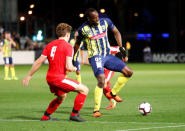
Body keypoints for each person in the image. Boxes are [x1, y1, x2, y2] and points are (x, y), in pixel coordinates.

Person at [22, 23, 88, 122]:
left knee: (61, 97)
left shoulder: (50, 45)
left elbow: (39, 61)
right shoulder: (68, 47)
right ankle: (74, 115)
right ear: (67, 35)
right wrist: (75, 68)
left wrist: (28, 76)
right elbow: (69, 67)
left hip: (49, 78)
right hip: (58, 79)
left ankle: (46, 117)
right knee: (84, 90)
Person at [73, 8, 133, 117]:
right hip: (95, 57)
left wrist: (121, 47)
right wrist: (74, 56)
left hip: (107, 56)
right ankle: (96, 110)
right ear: (88, 19)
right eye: (94, 18)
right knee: (101, 79)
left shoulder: (105, 22)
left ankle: (113, 93)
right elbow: (77, 44)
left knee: (129, 72)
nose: (97, 19)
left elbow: (116, 32)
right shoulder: (83, 29)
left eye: (97, 17)